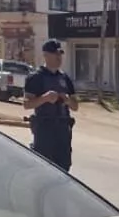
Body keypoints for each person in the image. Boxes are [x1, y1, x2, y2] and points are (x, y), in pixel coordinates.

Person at [23, 39, 78, 171]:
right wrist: (45, 98)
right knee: (44, 167)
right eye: (55, 54)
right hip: (44, 129)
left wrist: (67, 100)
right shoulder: (35, 77)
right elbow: (26, 104)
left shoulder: (65, 79)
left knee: (64, 167)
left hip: (63, 130)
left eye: (60, 54)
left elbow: (75, 106)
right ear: (46, 55)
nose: (59, 57)